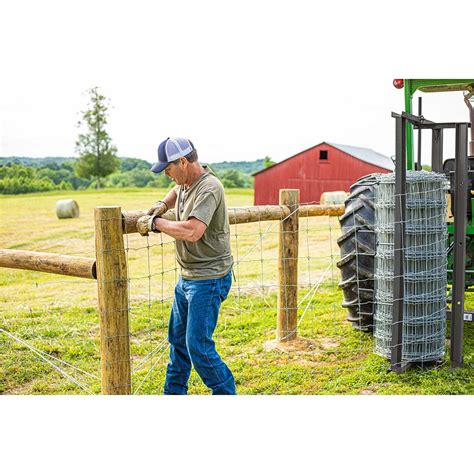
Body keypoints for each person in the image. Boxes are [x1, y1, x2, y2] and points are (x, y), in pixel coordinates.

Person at [136, 137, 236, 395]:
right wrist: (162, 205)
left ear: (183, 161)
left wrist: (155, 223)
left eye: (168, 168)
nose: (166, 174)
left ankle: (226, 394)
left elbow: (193, 231)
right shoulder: (185, 183)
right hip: (187, 277)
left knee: (198, 347)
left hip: (209, 278)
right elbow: (175, 193)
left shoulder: (209, 187)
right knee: (178, 342)